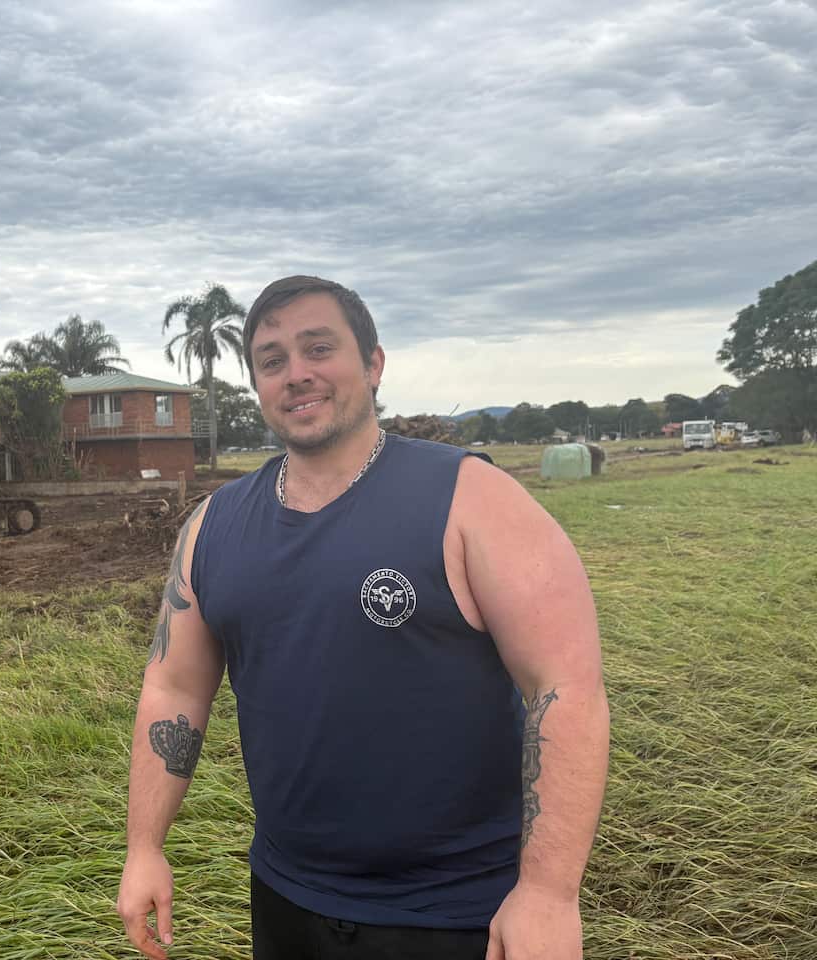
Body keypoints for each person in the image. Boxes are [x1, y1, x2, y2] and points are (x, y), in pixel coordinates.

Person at [117, 276, 609, 959]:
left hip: (459, 914)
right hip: (287, 900)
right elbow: (174, 690)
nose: (297, 374)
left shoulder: (473, 500)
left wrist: (549, 893)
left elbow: (566, 688)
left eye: (319, 347)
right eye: (272, 360)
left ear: (373, 364)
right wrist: (145, 847)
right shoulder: (213, 526)